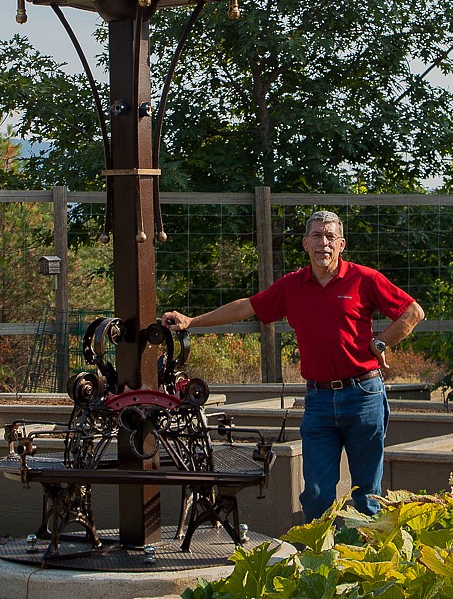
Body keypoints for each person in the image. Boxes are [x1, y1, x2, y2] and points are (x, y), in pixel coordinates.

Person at [161, 209, 425, 522]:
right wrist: (193, 321)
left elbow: (413, 312)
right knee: (315, 495)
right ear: (305, 243)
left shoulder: (364, 279)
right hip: (319, 401)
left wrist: (380, 343)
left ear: (341, 244)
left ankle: (364, 565)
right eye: (316, 235)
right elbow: (248, 306)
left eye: (330, 237)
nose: (323, 243)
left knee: (367, 495)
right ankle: (319, 564)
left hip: (363, 395)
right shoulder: (292, 285)